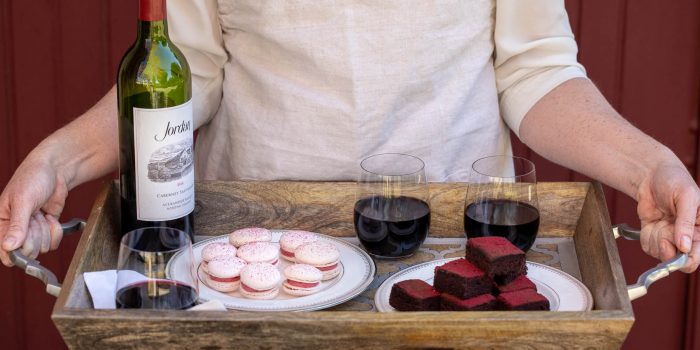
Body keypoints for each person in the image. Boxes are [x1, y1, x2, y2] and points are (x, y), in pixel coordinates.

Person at [1, 0, 699, 272]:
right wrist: (57, 161)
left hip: (452, 256)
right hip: (254, 264)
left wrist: (648, 167)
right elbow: (194, 70)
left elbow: (536, 70)